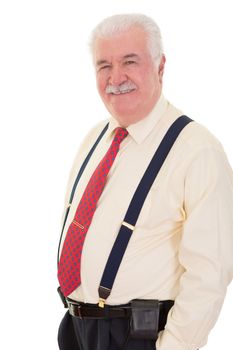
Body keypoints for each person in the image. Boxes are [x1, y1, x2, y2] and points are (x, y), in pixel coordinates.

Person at [57, 13, 233, 350]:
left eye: (129, 61)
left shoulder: (197, 150)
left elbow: (209, 275)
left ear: (160, 67)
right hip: (76, 330)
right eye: (103, 65)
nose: (115, 77)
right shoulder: (96, 138)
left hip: (138, 336)